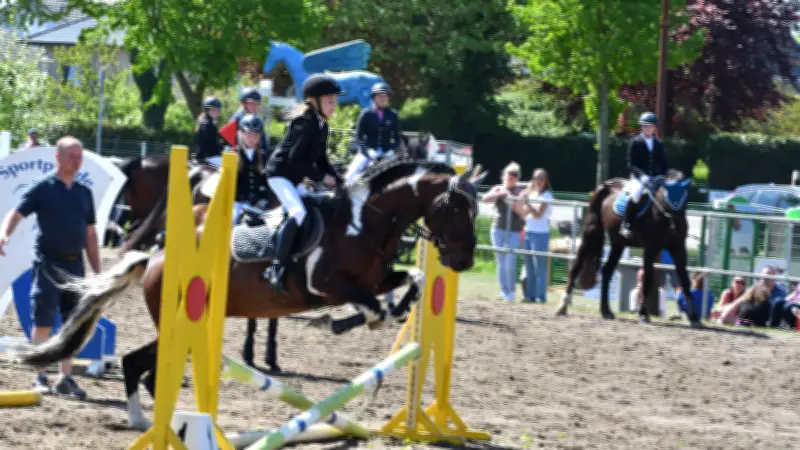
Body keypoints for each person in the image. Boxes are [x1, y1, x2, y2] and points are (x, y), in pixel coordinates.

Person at [0, 136, 101, 398]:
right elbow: (16, 213)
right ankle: (41, 375)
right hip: (48, 264)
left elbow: (90, 233)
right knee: (43, 321)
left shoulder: (84, 193)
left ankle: (65, 378)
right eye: (72, 156)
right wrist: (4, 235)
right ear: (58, 157)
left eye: (80, 156)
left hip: (75, 266)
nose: (77, 161)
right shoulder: (43, 188)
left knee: (73, 324)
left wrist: (98, 270)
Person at [262, 73, 344, 295]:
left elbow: (321, 159)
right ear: (314, 101)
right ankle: (275, 268)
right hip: (279, 174)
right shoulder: (304, 122)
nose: (334, 105)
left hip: (294, 176)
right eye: (329, 101)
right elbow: (295, 160)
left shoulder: (321, 125)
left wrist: (338, 178)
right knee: (298, 212)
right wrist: (320, 177)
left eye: (335, 101)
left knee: (317, 206)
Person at [480, 162, 525, 302]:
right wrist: (499, 194)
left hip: (514, 231)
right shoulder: (498, 188)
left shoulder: (520, 192)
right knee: (500, 262)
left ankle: (511, 292)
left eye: (515, 175)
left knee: (510, 261)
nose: (511, 177)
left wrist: (511, 201)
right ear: (504, 175)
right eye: (509, 174)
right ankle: (504, 291)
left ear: (518, 178)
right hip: (497, 228)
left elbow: (523, 213)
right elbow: (485, 199)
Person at [620, 112, 669, 238]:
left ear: (654, 128)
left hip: (655, 177)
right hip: (639, 177)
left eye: (651, 126)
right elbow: (631, 163)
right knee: (636, 194)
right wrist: (641, 176)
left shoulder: (658, 143)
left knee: (666, 195)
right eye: (645, 126)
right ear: (641, 127)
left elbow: (663, 163)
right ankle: (626, 224)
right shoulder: (635, 142)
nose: (648, 129)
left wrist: (663, 175)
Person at [344, 82, 402, 185]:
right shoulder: (366, 114)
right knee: (350, 175)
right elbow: (359, 136)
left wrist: (392, 150)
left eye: (385, 96)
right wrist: (367, 151)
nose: (382, 99)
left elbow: (397, 137)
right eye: (379, 96)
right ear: (374, 98)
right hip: (369, 152)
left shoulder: (393, 115)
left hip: (387, 152)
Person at [519, 168, 553, 303]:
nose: (538, 181)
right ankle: (530, 295)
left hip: (540, 234)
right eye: (536, 178)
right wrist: (523, 201)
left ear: (546, 181)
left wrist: (527, 203)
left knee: (539, 267)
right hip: (528, 232)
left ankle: (540, 296)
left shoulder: (547, 196)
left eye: (541, 179)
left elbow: (539, 214)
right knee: (529, 267)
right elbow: (525, 213)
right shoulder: (532, 194)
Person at [231, 114, 270, 223]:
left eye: (256, 135)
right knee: (233, 221)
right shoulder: (234, 155)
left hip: (258, 202)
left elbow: (266, 181)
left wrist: (262, 195)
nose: (252, 138)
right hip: (239, 203)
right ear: (241, 133)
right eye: (249, 134)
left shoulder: (263, 155)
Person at [230, 87, 269, 153]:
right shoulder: (236, 119)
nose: (254, 106)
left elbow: (263, 142)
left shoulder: (258, 120)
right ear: (244, 103)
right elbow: (229, 142)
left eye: (256, 103)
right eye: (251, 103)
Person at [194, 96, 224, 165]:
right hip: (209, 157)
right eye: (213, 110)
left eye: (217, 110)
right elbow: (213, 144)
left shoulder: (207, 122)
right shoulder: (208, 125)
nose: (216, 112)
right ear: (207, 110)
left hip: (206, 155)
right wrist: (223, 149)